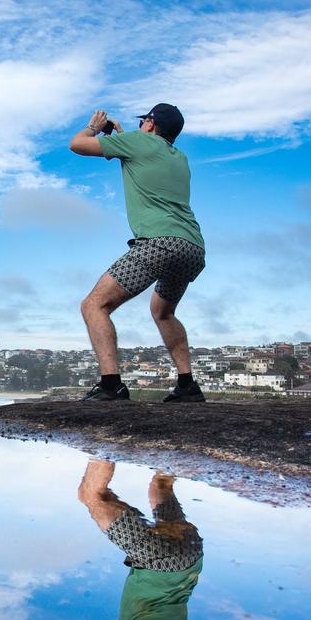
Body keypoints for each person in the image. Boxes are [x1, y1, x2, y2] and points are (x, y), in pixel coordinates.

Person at [69, 103, 206, 402]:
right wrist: (122, 136)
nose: (142, 124)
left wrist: (94, 127)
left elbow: (77, 145)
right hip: (192, 247)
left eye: (144, 120)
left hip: (160, 243)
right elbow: (142, 156)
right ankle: (187, 386)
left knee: (94, 305)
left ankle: (111, 385)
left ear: (151, 123)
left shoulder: (137, 142)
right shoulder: (180, 158)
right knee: (163, 312)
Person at [62, 459, 203, 620]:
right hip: (159, 563)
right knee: (93, 497)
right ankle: (102, 446)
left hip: (190, 557)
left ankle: (180, 447)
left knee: (161, 486)